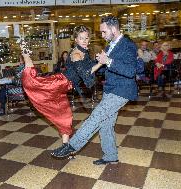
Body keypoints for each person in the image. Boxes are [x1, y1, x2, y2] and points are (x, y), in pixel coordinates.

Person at [51, 16, 138, 165]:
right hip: (111, 89)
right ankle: (111, 156)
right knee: (106, 124)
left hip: (121, 91)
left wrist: (107, 61)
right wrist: (101, 62)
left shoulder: (127, 45)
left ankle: (71, 146)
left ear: (113, 29)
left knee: (96, 117)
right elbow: (106, 66)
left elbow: (131, 71)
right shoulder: (112, 44)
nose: (102, 35)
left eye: (104, 32)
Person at [20, 25, 103, 144]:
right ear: (76, 40)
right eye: (81, 38)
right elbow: (85, 72)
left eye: (86, 38)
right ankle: (25, 53)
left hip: (63, 89)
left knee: (65, 116)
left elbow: (88, 67)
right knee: (33, 82)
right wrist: (100, 63)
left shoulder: (83, 52)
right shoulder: (76, 55)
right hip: (59, 83)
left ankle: (65, 146)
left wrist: (99, 61)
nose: (84, 41)